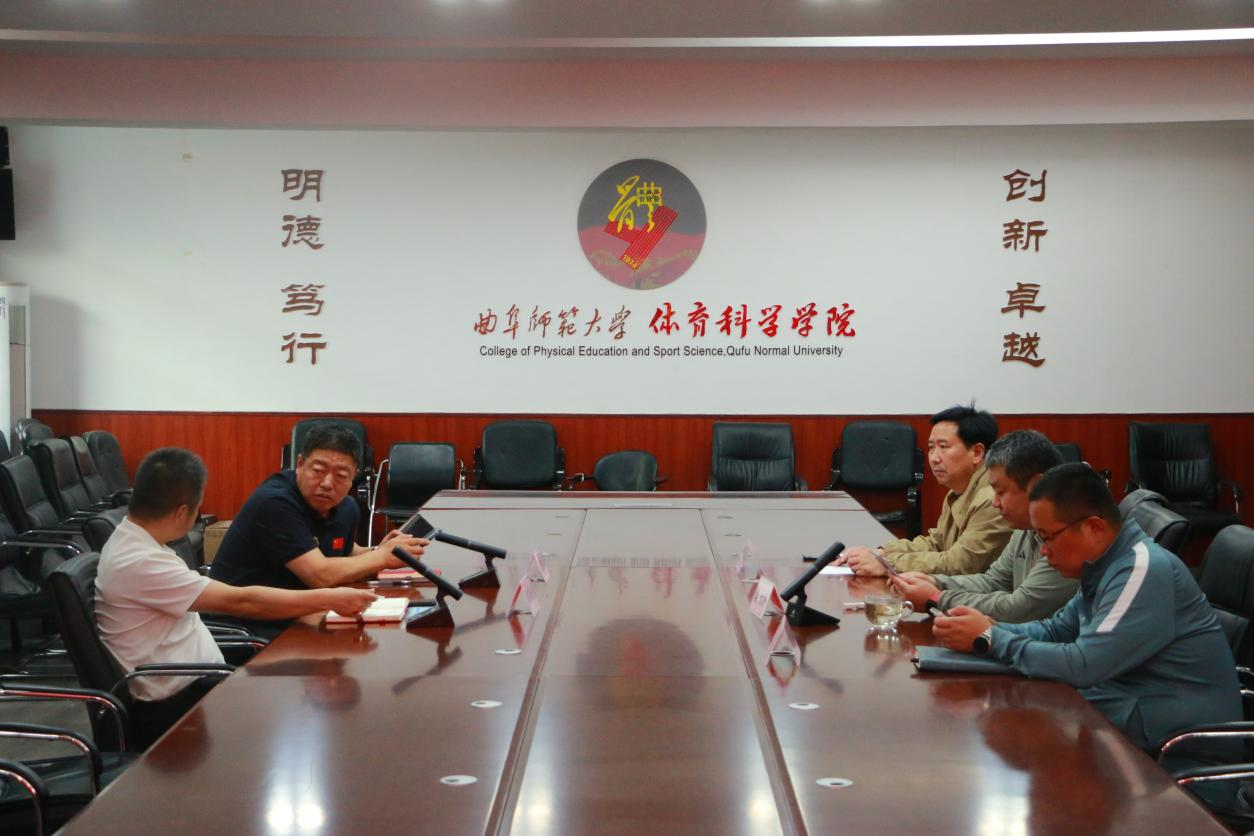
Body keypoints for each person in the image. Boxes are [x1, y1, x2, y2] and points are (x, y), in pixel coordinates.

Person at [932, 463, 1240, 762]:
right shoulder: (1104, 565)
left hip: (1177, 756)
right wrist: (989, 628)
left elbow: (1084, 665)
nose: (1043, 551)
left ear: (1093, 527)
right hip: (1125, 731)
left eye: (1047, 537)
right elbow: (1056, 630)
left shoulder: (1143, 570)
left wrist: (990, 638)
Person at [96, 447, 378, 747]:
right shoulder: (140, 561)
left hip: (201, 680)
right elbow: (241, 601)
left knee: (306, 696)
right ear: (182, 512)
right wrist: (329, 599)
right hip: (174, 708)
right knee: (304, 719)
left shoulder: (139, 541)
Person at [210, 423, 426, 592]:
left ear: (354, 476)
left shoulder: (346, 507)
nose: (327, 483)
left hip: (302, 610)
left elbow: (345, 552)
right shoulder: (274, 503)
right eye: (318, 471)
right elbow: (319, 576)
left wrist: (381, 550)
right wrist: (381, 558)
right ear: (300, 464)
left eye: (341, 475)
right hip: (247, 623)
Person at [889, 429, 1077, 623]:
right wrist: (935, 581)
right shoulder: (1025, 527)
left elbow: (1019, 608)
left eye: (1001, 492)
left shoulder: (1068, 534)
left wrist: (936, 598)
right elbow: (994, 581)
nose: (995, 503)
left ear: (1036, 486)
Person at [837, 404, 1012, 576]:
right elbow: (936, 543)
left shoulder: (993, 500)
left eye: (944, 447)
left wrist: (887, 564)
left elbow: (960, 564)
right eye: (931, 447)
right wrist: (881, 552)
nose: (934, 458)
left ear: (977, 453)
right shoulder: (958, 489)